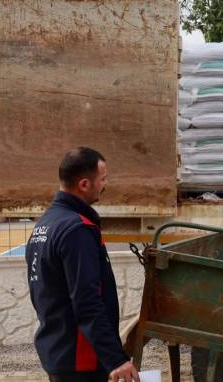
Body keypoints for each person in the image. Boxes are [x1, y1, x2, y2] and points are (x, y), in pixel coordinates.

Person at [26, 147, 139, 382]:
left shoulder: (46, 224)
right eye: (103, 179)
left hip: (58, 351)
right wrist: (115, 359)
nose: (105, 185)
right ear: (84, 184)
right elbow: (87, 302)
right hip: (80, 360)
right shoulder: (77, 230)